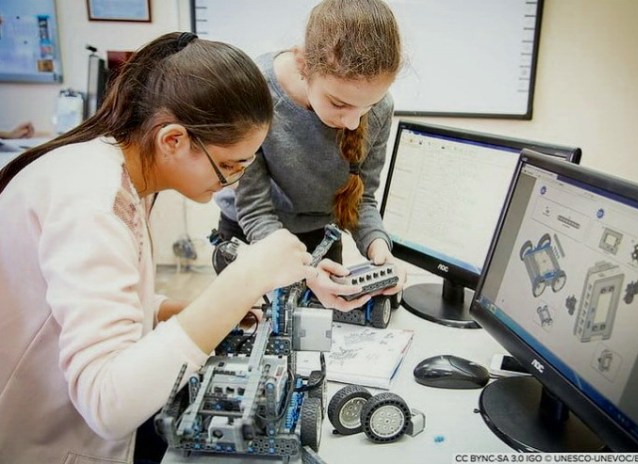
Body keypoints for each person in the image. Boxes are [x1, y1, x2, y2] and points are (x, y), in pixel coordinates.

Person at [0, 32, 322, 464]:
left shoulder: (117, 173)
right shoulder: (92, 202)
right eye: (229, 166)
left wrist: (180, 311)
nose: (235, 181)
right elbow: (107, 404)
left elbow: (99, 302)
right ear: (172, 140)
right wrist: (242, 283)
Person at [215, 0, 406, 310]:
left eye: (367, 106)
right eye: (339, 104)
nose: (353, 123)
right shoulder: (254, 93)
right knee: (252, 322)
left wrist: (378, 247)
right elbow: (255, 211)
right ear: (304, 65)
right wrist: (303, 273)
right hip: (254, 232)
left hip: (321, 235)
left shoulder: (381, 107)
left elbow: (361, 199)